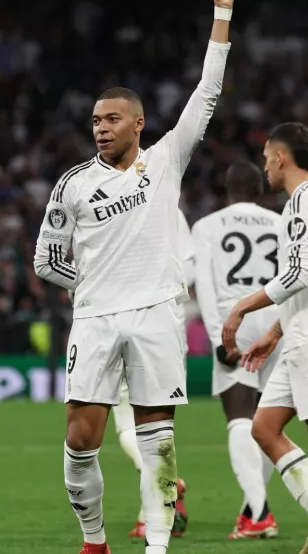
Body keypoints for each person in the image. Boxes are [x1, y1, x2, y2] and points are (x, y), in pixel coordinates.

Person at [32, 0, 234, 551]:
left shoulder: (168, 159)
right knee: (79, 441)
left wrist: (223, 13)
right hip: (95, 316)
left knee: (158, 444)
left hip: (157, 314)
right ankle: (94, 540)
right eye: (95, 120)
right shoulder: (72, 184)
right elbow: (45, 261)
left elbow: (208, 92)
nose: (101, 128)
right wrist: (90, 282)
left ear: (138, 123)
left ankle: (157, 547)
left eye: (112, 119)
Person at [221, 123, 308, 554]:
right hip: (302, 332)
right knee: (264, 428)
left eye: (267, 158)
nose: (265, 166)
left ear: (281, 158)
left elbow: (298, 275)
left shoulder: (302, 205)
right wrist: (274, 331)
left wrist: (243, 306)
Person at [192, 161, 282, 539]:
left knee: (240, 418)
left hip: (237, 319)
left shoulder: (208, 226)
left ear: (226, 190)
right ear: (259, 191)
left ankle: (259, 513)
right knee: (267, 424)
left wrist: (219, 339)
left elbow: (206, 286)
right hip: (277, 323)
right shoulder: (280, 223)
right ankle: (252, 511)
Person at [118, 209, 193, 540]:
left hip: (119, 322)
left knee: (126, 421)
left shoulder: (104, 200)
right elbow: (188, 267)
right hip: (169, 327)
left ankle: (167, 483)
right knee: (159, 423)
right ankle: (147, 515)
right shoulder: (171, 207)